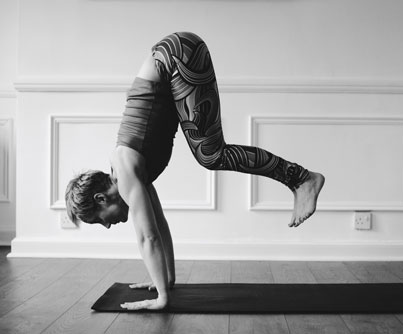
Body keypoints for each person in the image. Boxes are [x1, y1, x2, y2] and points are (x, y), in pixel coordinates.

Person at [65, 32, 325, 311]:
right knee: (210, 154)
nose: (107, 226)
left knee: (211, 155)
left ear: (101, 199)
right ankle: (300, 178)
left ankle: (302, 178)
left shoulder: (126, 172)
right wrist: (167, 281)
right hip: (175, 55)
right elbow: (159, 226)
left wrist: (161, 299)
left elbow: (147, 237)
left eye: (98, 220)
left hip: (176, 57)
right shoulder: (129, 171)